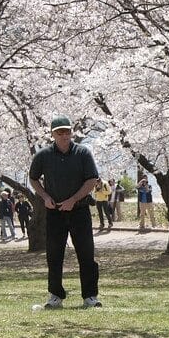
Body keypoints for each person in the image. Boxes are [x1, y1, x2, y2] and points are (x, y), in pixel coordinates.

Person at [28, 115, 102, 309]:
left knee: (86, 254)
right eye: (60, 132)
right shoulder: (43, 155)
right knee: (54, 255)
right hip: (54, 213)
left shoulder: (82, 153)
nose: (64, 135)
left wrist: (73, 199)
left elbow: (92, 180)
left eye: (67, 131)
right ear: (53, 134)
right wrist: (44, 197)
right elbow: (33, 178)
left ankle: (90, 296)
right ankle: (55, 296)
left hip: (79, 210)